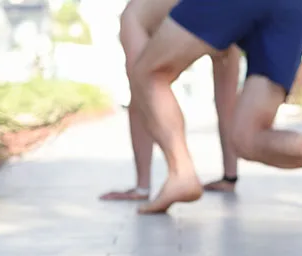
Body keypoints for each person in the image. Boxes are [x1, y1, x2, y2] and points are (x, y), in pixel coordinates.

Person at [126, 0, 302, 215]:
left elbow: (142, 93)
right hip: (294, 9)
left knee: (146, 74)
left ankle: (180, 173)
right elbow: (225, 87)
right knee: (246, 138)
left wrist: (141, 185)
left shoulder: (138, 11)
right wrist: (229, 176)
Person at [98, 0, 243, 201]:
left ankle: (153, 183)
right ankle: (230, 176)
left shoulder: (137, 11)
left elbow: (141, 100)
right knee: (227, 97)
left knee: (143, 86)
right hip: (228, 10)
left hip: (154, 13)